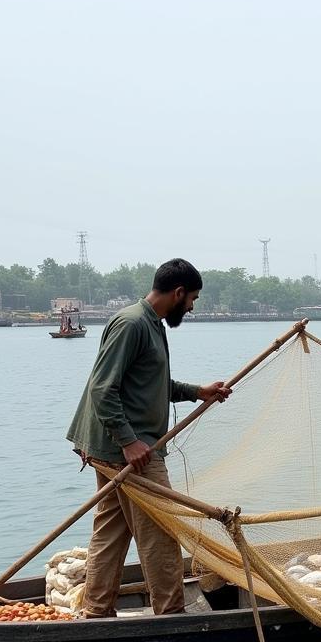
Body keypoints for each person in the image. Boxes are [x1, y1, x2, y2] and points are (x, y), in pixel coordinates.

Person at [66, 258, 232, 618]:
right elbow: (102, 389)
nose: (191, 306)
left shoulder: (151, 324)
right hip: (130, 452)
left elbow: (150, 385)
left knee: (112, 531)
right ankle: (170, 616)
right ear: (178, 292)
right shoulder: (132, 323)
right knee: (162, 533)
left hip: (117, 447)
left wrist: (197, 392)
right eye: (193, 299)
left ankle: (96, 613)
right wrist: (128, 442)